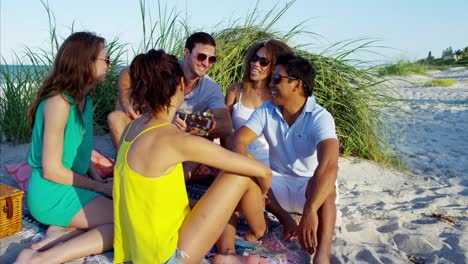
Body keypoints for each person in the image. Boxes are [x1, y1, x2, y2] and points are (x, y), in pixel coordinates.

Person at [113, 49, 272, 264]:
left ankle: (228, 255)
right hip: (168, 257)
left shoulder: (132, 127)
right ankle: (260, 231)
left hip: (138, 248)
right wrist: (262, 191)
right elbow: (262, 170)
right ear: (180, 84)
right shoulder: (175, 140)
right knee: (243, 171)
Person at [14, 32, 114, 264]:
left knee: (120, 212)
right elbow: (51, 170)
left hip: (71, 185)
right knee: (125, 224)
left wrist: (98, 181)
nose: (109, 65)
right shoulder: (59, 103)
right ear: (85, 63)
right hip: (52, 191)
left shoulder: (85, 100)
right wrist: (99, 188)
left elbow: (80, 149)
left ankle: (52, 239)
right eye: (105, 59)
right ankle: (42, 258)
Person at [232, 53, 339, 263]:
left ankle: (322, 254)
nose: (270, 83)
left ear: (296, 85)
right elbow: (239, 142)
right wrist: (285, 218)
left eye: (277, 79)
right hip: (276, 185)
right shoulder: (267, 110)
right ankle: (266, 226)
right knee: (244, 175)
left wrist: (309, 211)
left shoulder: (320, 117)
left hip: (308, 190)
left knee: (327, 187)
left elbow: (329, 164)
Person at [107, 31, 232, 151]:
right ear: (186, 53)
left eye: (212, 59)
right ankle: (123, 164)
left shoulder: (211, 88)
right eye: (201, 57)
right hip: (148, 128)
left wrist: (191, 126)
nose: (206, 63)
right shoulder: (168, 67)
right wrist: (126, 102)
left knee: (206, 138)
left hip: (177, 139)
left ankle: (182, 172)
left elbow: (226, 125)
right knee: (115, 118)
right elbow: (127, 72)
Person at [222, 39, 292, 165]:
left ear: (275, 67)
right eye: (254, 58)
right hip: (238, 158)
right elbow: (225, 131)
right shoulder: (236, 90)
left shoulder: (280, 98)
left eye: (264, 62)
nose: (256, 64)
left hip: (269, 162)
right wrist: (230, 156)